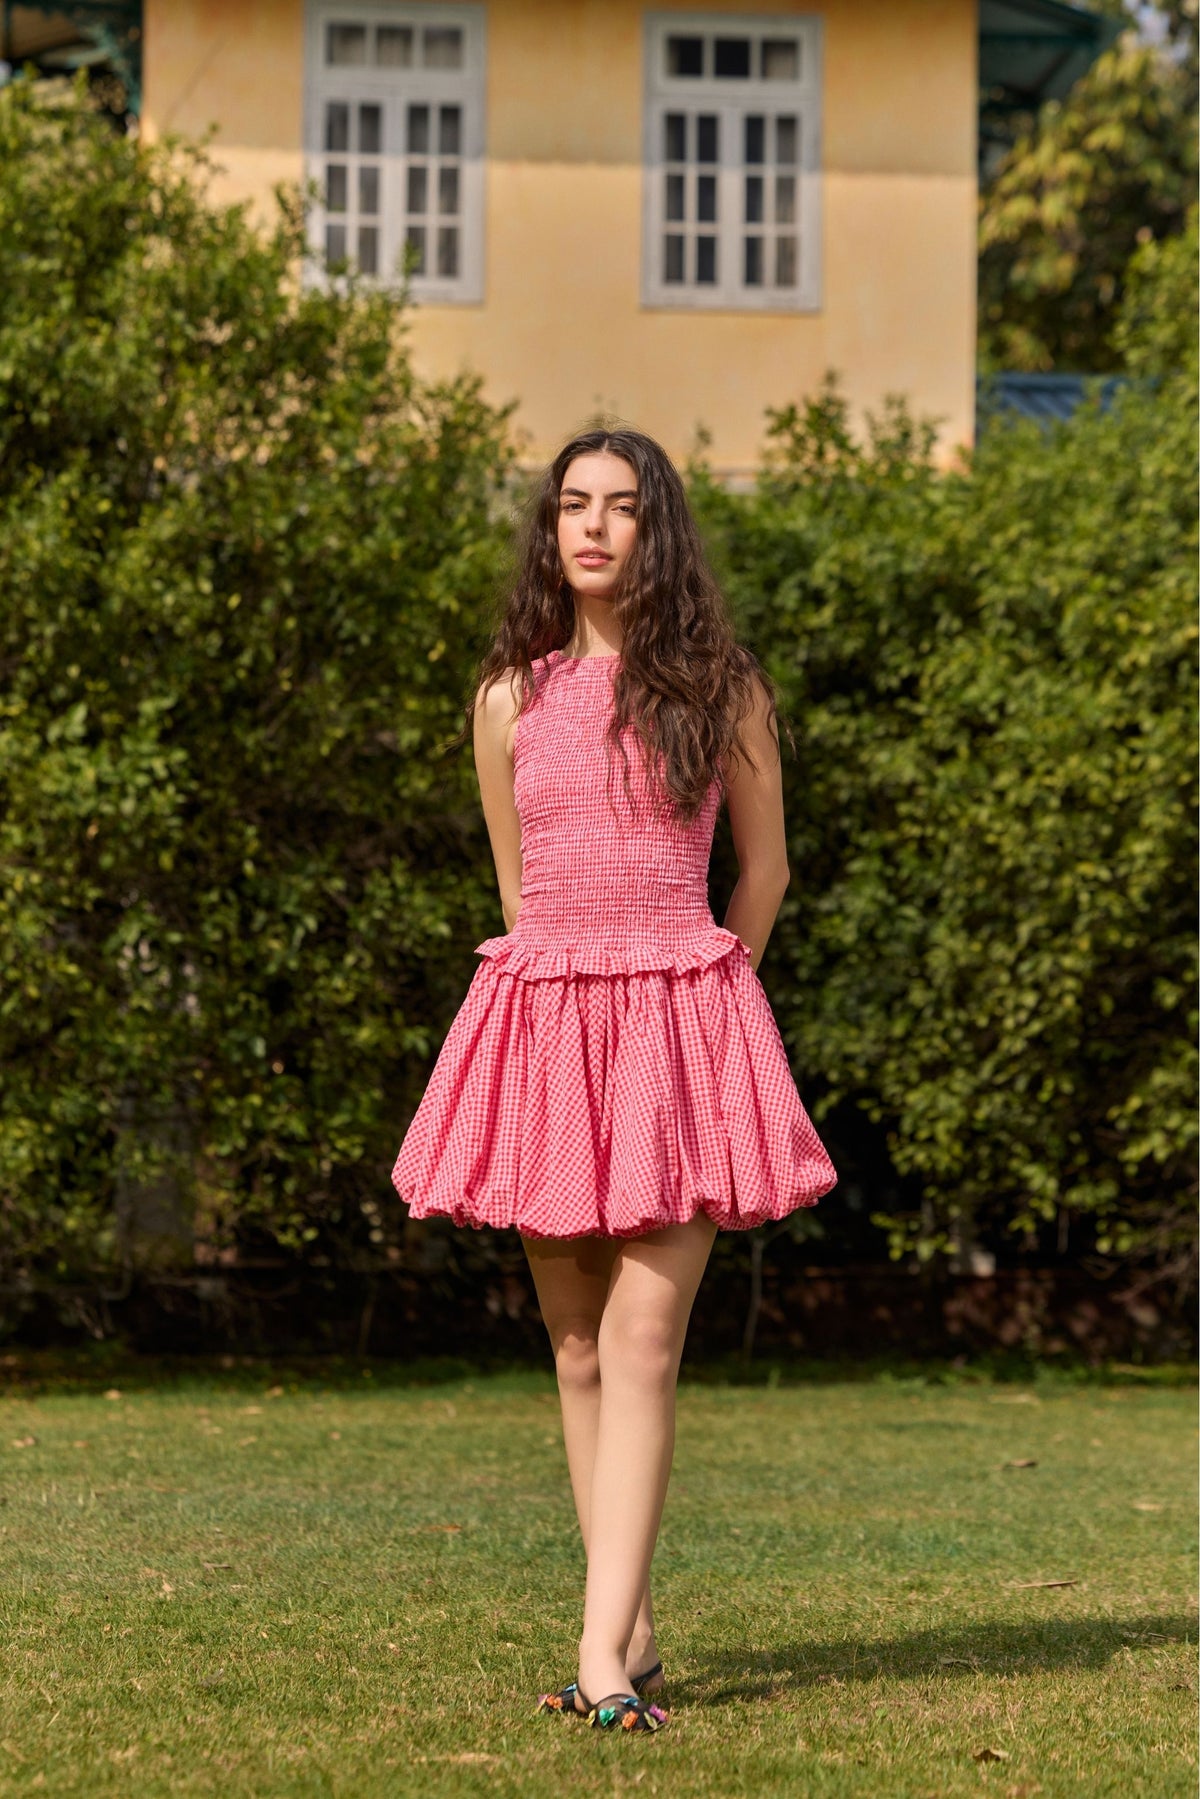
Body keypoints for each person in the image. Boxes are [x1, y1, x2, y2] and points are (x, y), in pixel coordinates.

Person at [392, 425, 837, 1735]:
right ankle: (628, 1631)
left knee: (644, 1340)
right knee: (577, 1344)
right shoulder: (507, 698)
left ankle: (596, 1661)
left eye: (623, 506)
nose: (592, 526)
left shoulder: (720, 685)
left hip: (677, 1029)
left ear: (662, 528)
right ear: (550, 529)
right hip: (547, 1030)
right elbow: (519, 894)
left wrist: (712, 996)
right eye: (572, 504)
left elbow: (764, 873)